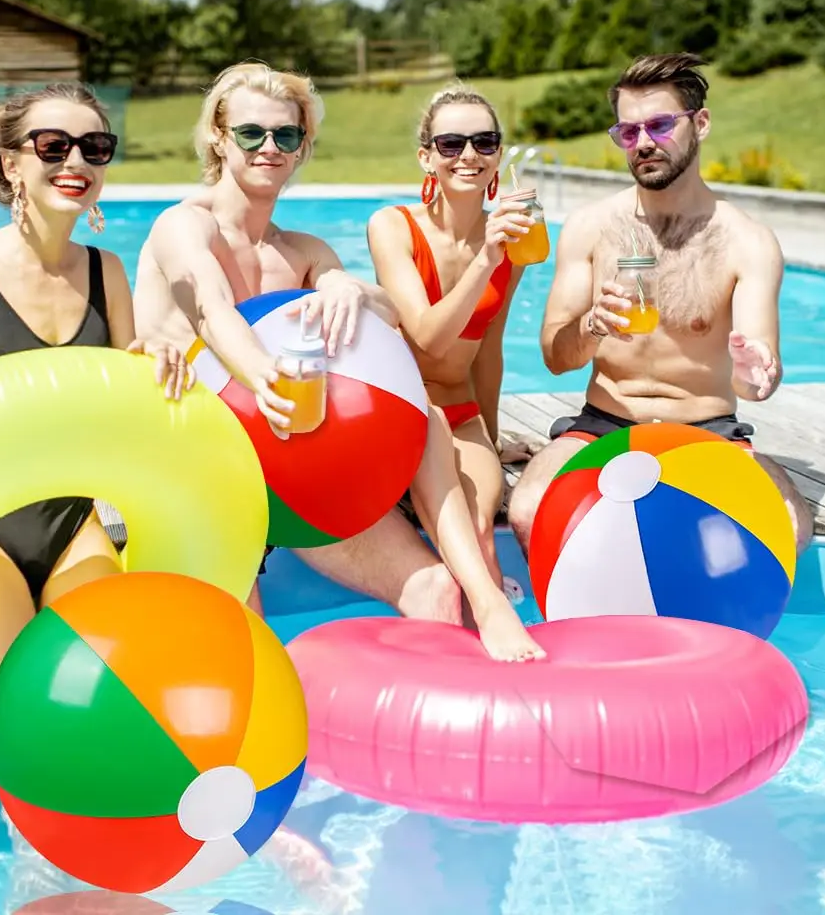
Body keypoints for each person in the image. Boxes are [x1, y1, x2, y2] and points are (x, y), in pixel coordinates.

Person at [133, 61, 544, 661]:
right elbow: (214, 311)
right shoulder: (184, 227)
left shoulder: (302, 251)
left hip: (293, 467)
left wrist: (349, 286)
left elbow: (390, 314)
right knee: (241, 643)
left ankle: (490, 606)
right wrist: (266, 382)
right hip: (208, 465)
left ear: (303, 148)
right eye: (252, 134)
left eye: (287, 136)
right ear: (219, 139)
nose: (270, 148)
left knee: (433, 573)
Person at [0, 82, 191, 709]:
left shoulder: (107, 271)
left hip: (72, 522)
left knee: (99, 704)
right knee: (18, 712)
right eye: (54, 146)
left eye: (95, 147)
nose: (75, 162)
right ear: (11, 161)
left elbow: (125, 399)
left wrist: (158, 355)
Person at [507, 52, 814, 557]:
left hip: (706, 433)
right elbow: (555, 357)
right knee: (527, 508)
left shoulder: (746, 241)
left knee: (785, 523)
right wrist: (591, 327)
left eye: (660, 125)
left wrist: (757, 373)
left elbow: (755, 382)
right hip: (603, 426)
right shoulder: (590, 227)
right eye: (628, 132)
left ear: (702, 123)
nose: (643, 143)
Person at [366, 83, 539, 614]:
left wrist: (488, 435)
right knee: (455, 538)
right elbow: (426, 336)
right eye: (451, 144)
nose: (469, 155)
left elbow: (488, 352)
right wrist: (487, 258)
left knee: (483, 534)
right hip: (405, 413)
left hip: (461, 415)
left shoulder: (514, 242)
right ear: (427, 157)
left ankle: (496, 666)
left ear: (498, 157)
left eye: (484, 142)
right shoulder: (392, 226)